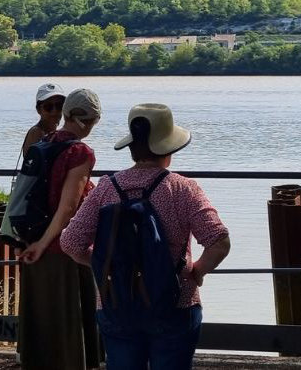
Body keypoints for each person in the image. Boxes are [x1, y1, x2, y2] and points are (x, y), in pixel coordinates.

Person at [61, 103, 231, 370]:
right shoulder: (183, 188)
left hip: (116, 304)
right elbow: (219, 242)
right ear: (169, 150)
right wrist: (197, 271)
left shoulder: (107, 187)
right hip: (175, 303)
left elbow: (70, 243)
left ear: (132, 148)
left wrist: (106, 264)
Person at [16, 88, 104, 370]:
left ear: (65, 113)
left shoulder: (44, 143)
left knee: (43, 324)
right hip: (63, 250)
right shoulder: (80, 152)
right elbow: (67, 208)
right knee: (69, 326)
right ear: (88, 121)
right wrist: (43, 244)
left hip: (33, 243)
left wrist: (31, 242)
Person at [21, 83, 66, 157]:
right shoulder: (37, 132)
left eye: (59, 106)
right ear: (39, 110)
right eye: (48, 106)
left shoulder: (53, 133)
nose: (54, 111)